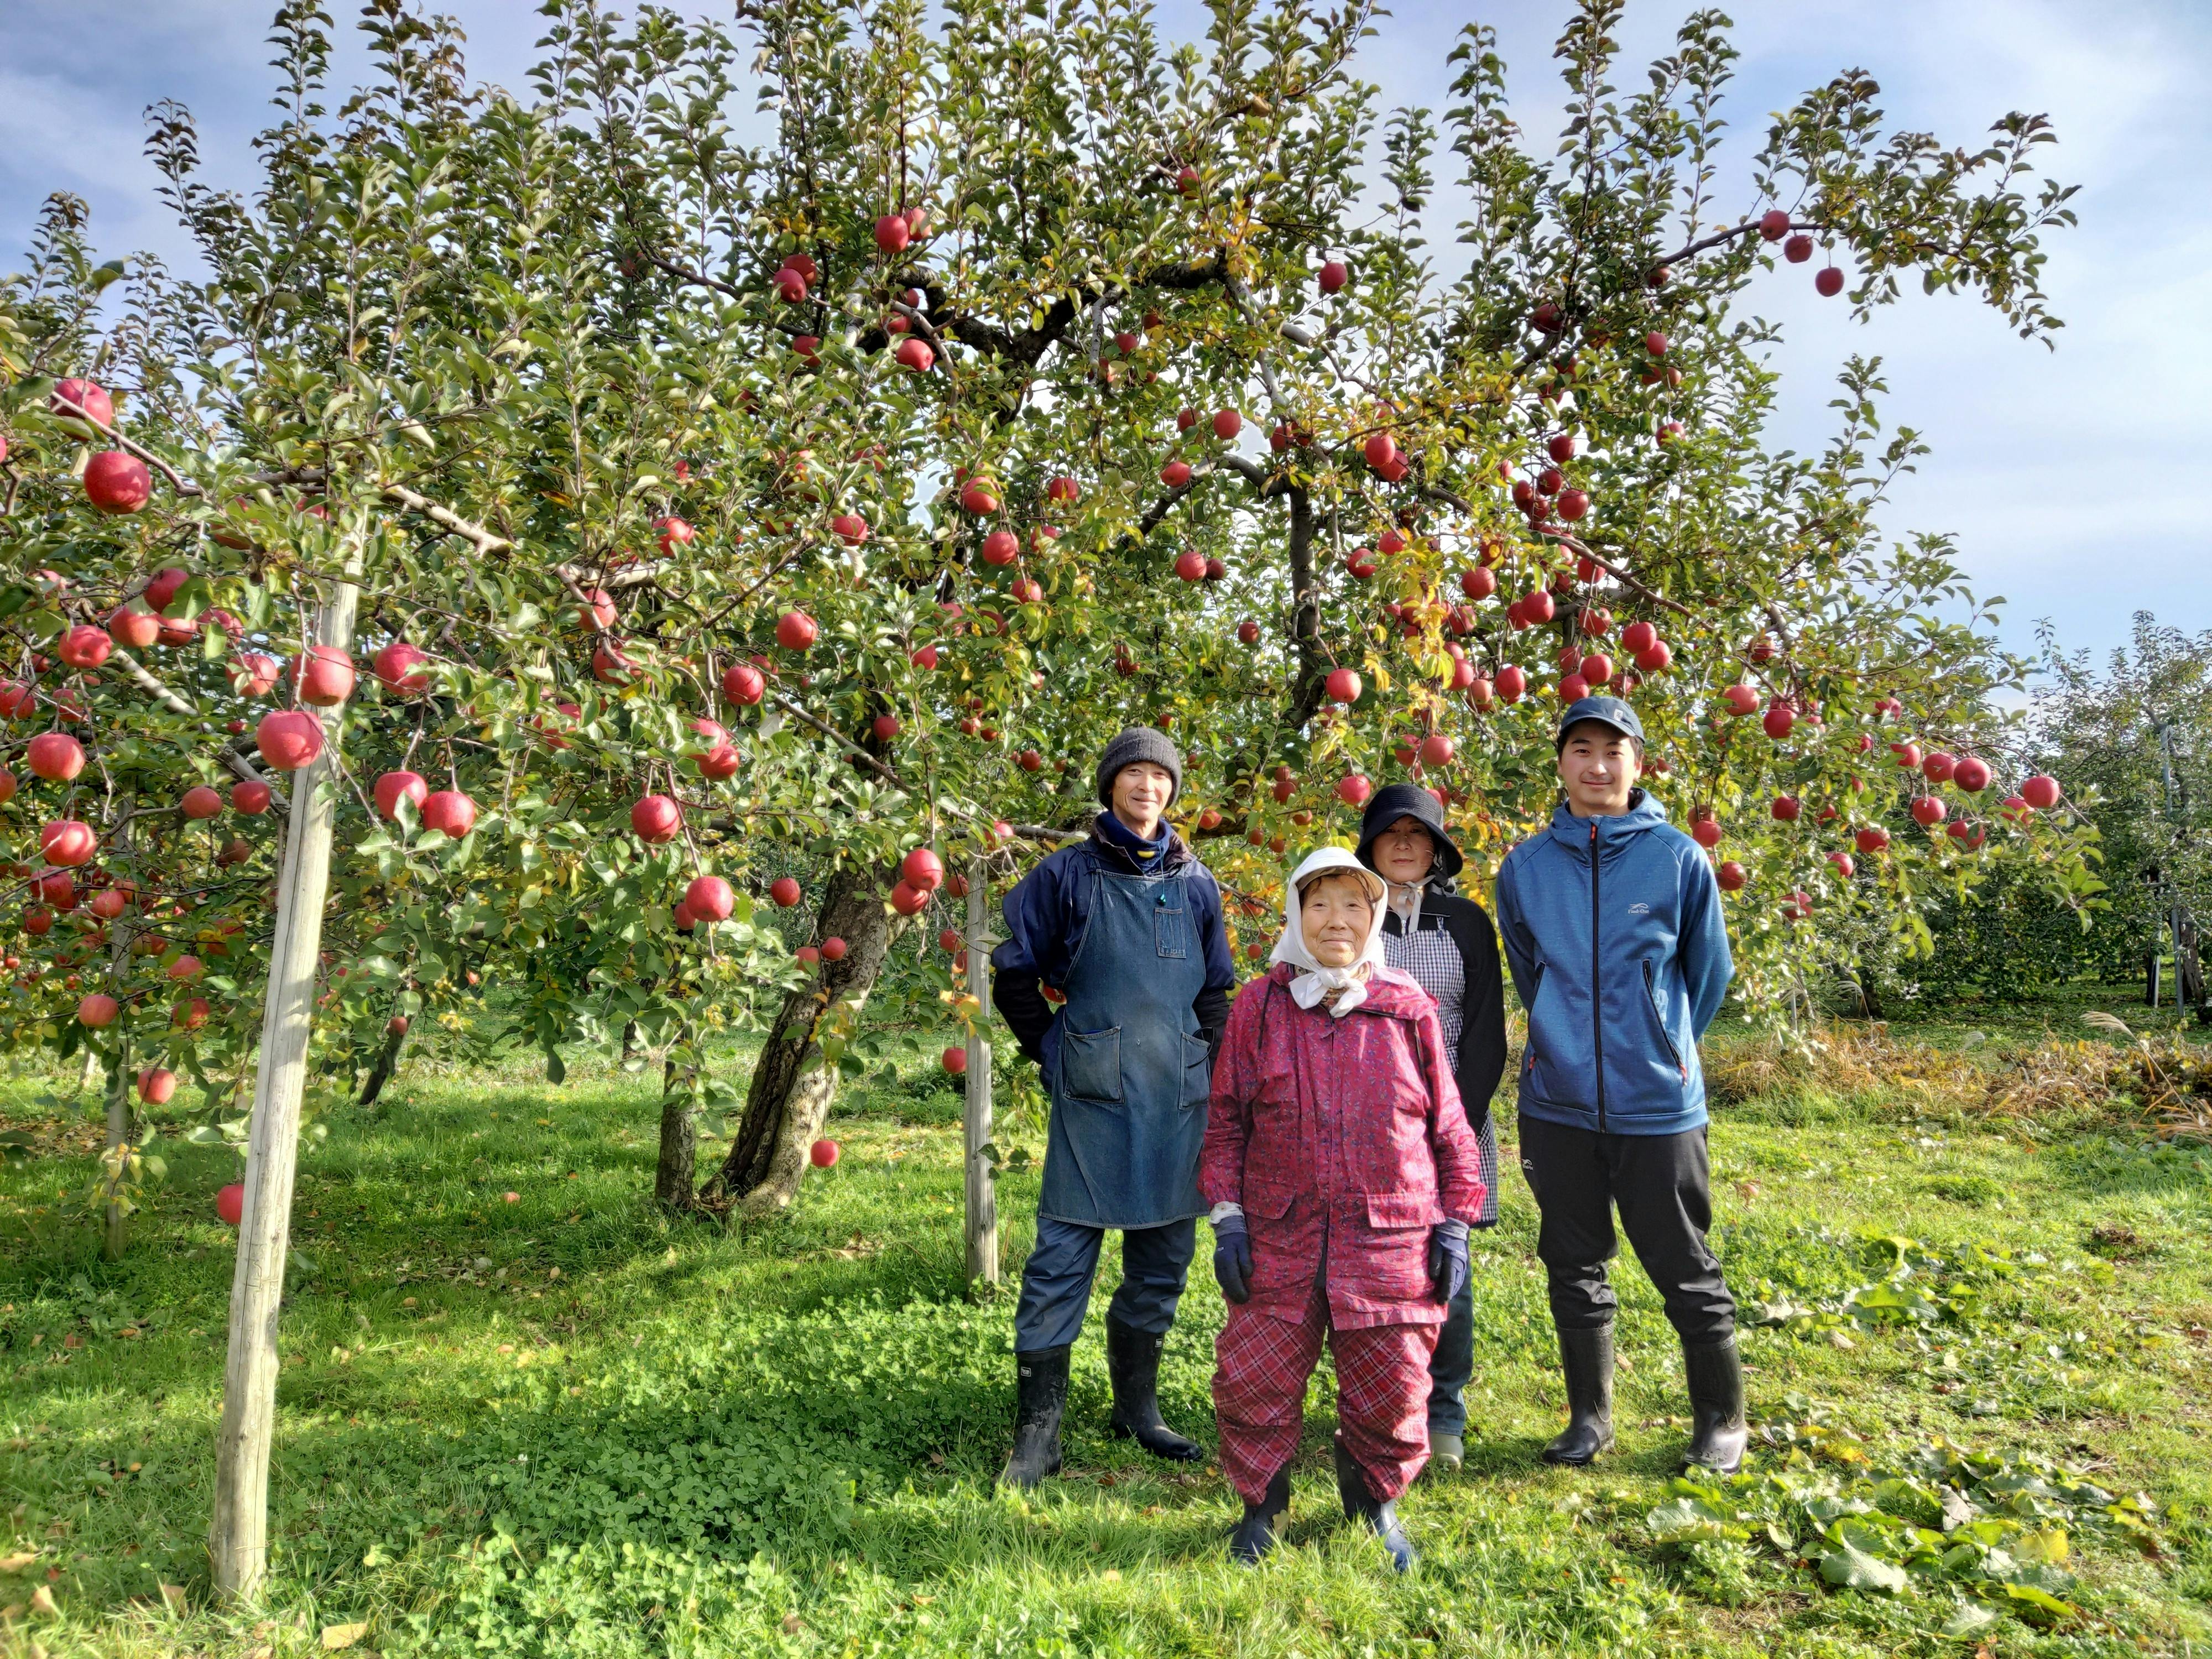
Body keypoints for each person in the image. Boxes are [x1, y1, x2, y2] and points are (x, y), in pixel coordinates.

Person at [1202, 847, 1486, 1571]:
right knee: (1255, 1378)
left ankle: (1375, 1500)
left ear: (1375, 917)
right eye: (1320, 903)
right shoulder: (1260, 1008)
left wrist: (1453, 1226)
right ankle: (1263, 1506)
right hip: (1279, 1230)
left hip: (1390, 1233)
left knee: (1391, 1382)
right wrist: (1228, 1217)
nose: (1337, 920)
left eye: (1353, 905)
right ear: (1298, 914)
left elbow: (1451, 1128)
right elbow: (1228, 1121)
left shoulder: (1406, 1008)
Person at [1493, 695, 1743, 1474]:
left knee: (1683, 1262)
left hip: (1657, 1103)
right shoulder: (1526, 868)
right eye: (1581, 751)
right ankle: (1590, 1420)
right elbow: (1532, 974)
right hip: (1558, 1102)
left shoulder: (1676, 858)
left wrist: (1662, 1048)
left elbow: (1707, 974)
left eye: (1614, 751)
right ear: (1561, 764)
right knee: (1573, 1261)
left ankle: (1721, 1420)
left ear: (1638, 763)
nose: (1597, 766)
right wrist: (1566, 1045)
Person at [990, 727, 1237, 1488]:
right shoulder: (1065, 876)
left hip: (1177, 1096)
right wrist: (1056, 1049)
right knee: (1061, 1258)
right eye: (1132, 775)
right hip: (1093, 1092)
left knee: (1163, 1261)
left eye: (1160, 778)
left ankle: (1138, 1406)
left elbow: (1214, 992)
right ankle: (1039, 1432)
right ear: (1110, 787)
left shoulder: (1196, 883)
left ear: (1172, 791)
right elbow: (1013, 977)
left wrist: (1217, 1073)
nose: (1147, 788)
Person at [1354, 785, 1509, 1474]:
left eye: (1420, 834)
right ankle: (1382, 1402)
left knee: (1451, 1269)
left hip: (1454, 1121)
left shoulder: (1467, 922)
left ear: (1439, 847)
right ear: (1371, 843)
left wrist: (1456, 1123)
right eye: (1392, 833)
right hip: (1367, 1126)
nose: (1406, 845)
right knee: (1372, 1268)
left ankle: (1444, 1409)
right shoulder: (1349, 914)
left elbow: (1484, 1032)